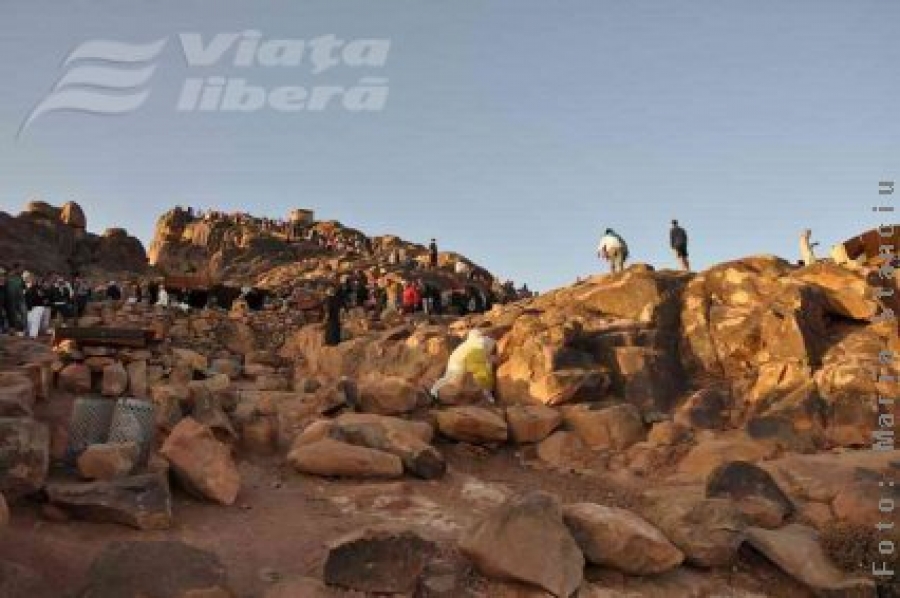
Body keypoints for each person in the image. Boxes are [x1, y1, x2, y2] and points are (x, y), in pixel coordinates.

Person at [430, 328, 497, 403]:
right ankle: (486, 396)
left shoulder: (464, 346)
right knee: (484, 368)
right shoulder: (484, 342)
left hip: (452, 377)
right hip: (461, 377)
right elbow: (478, 361)